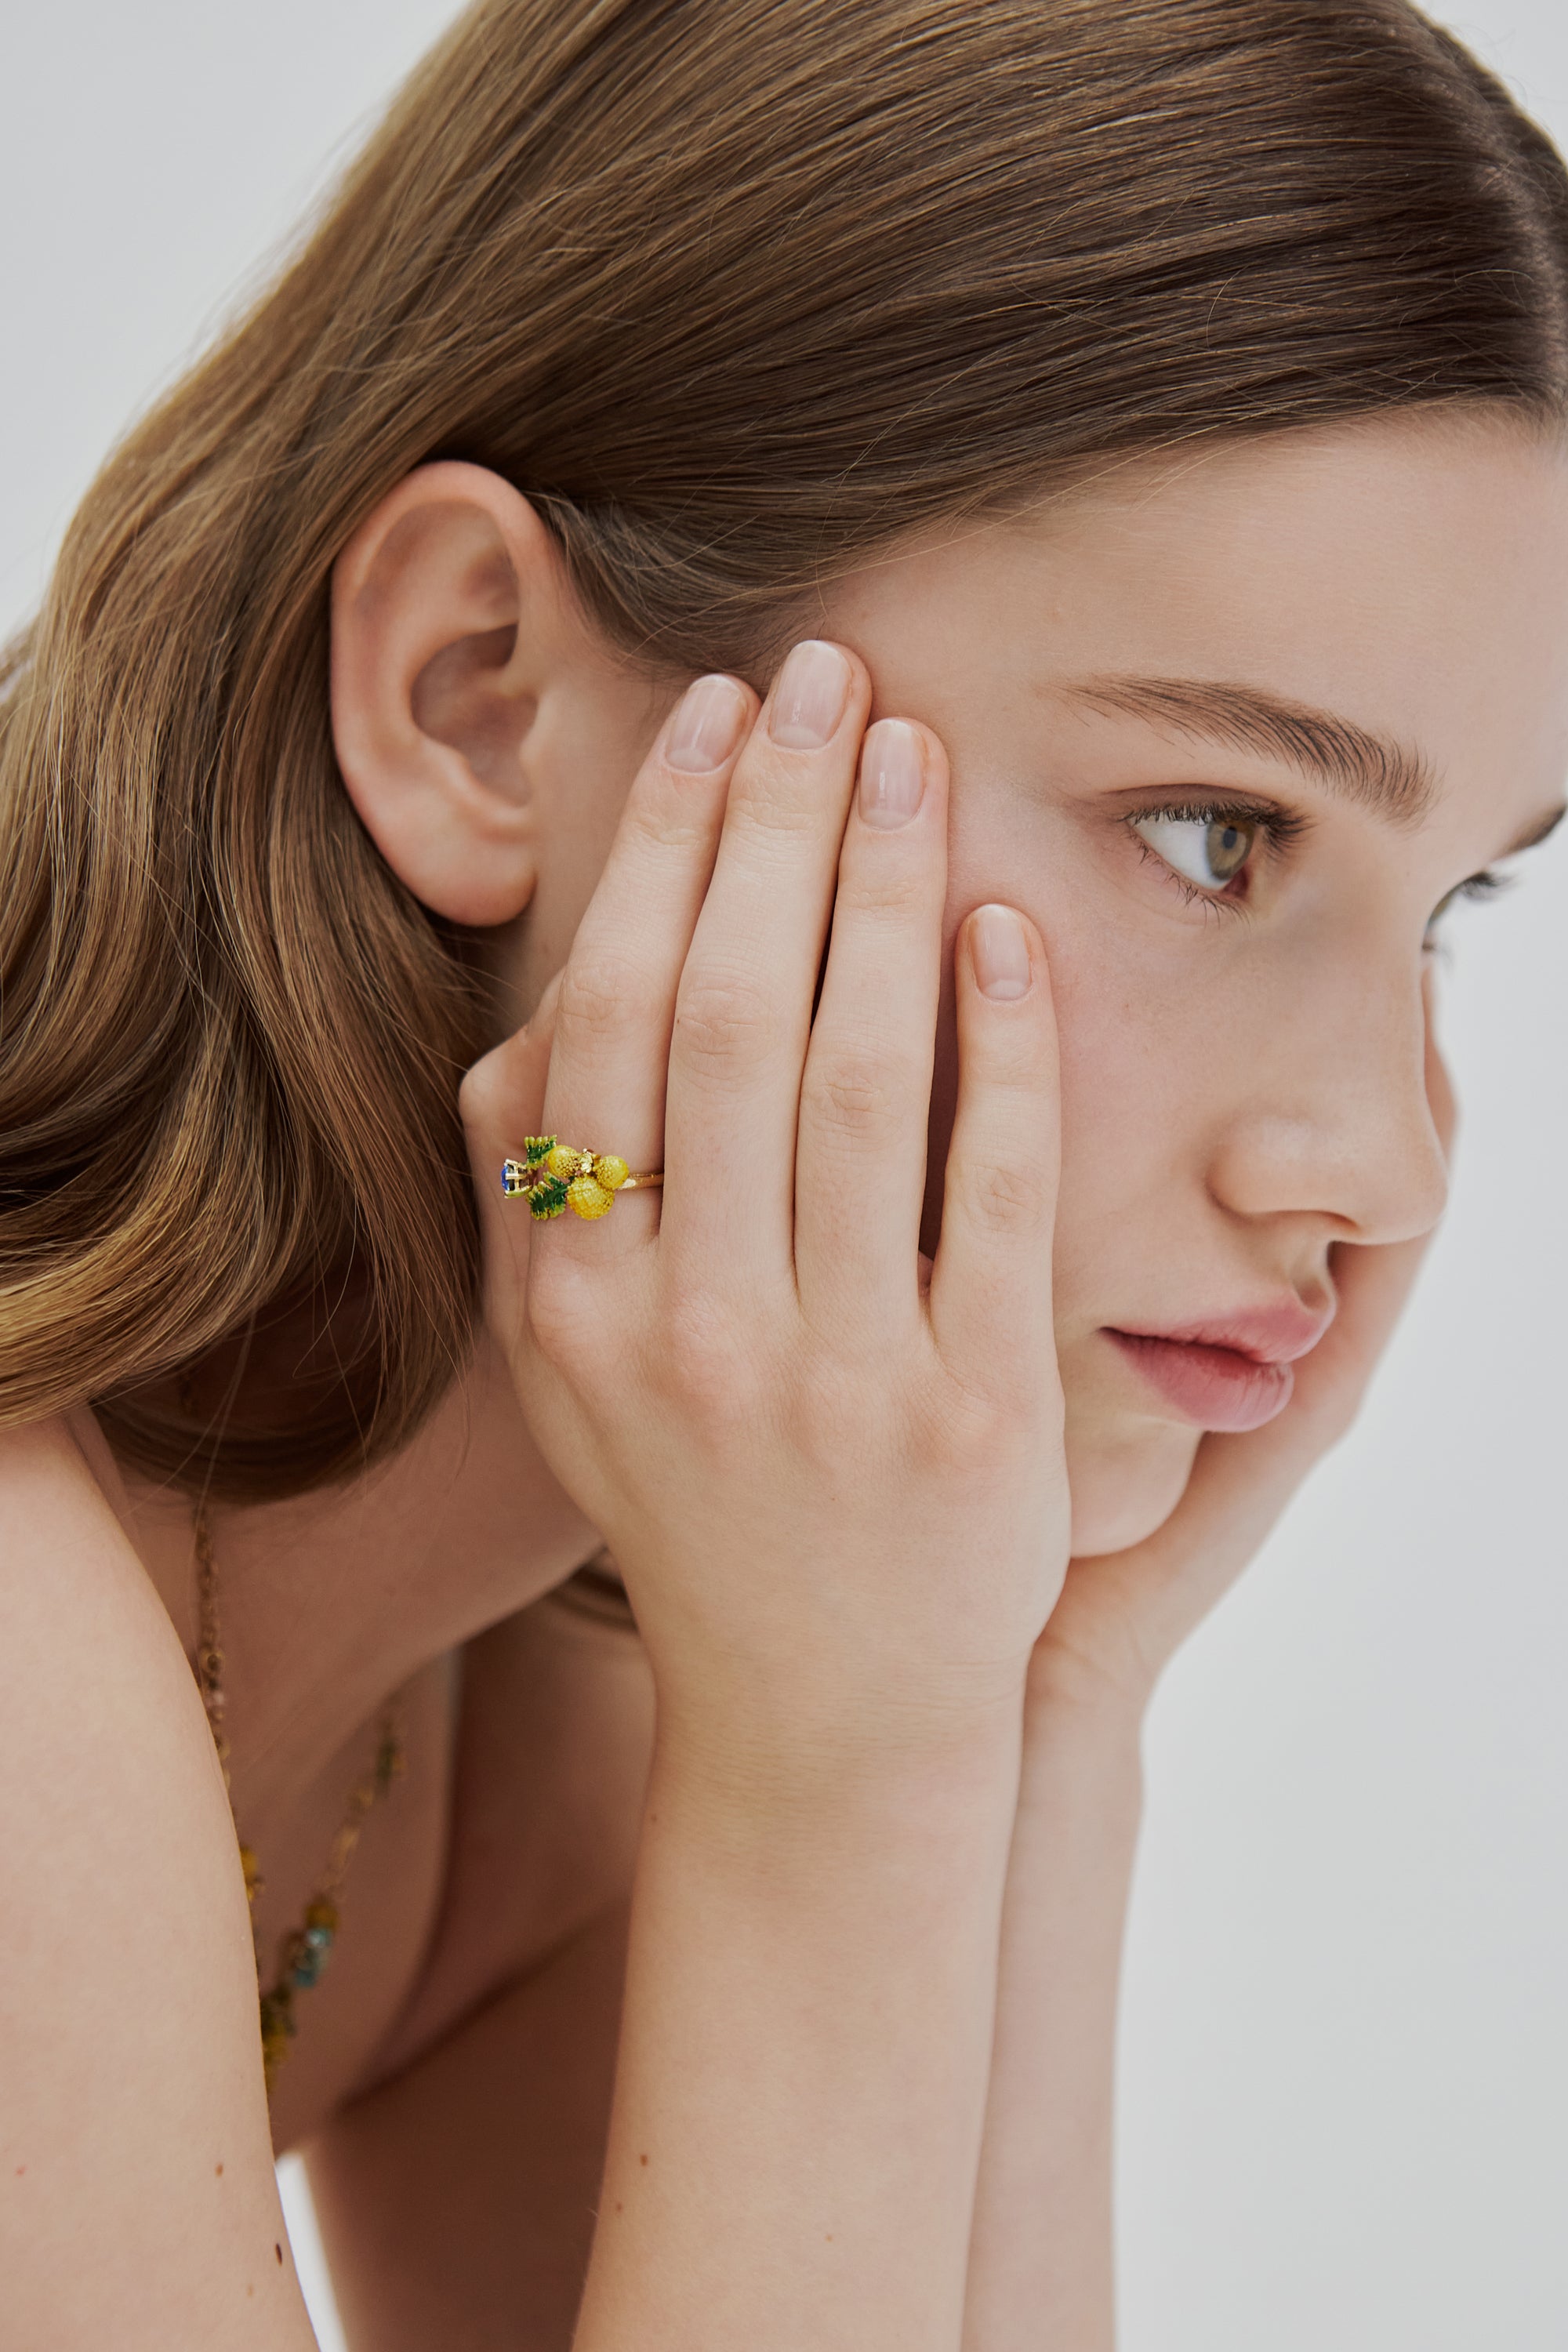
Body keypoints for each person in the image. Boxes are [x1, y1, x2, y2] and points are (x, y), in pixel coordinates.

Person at [2, 0, 1566, 2343]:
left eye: (1454, 900)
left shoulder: (524, 1732)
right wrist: (852, 1780)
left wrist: (1032, 1720)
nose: (1382, 1159)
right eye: (1218, 833)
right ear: (477, 697)